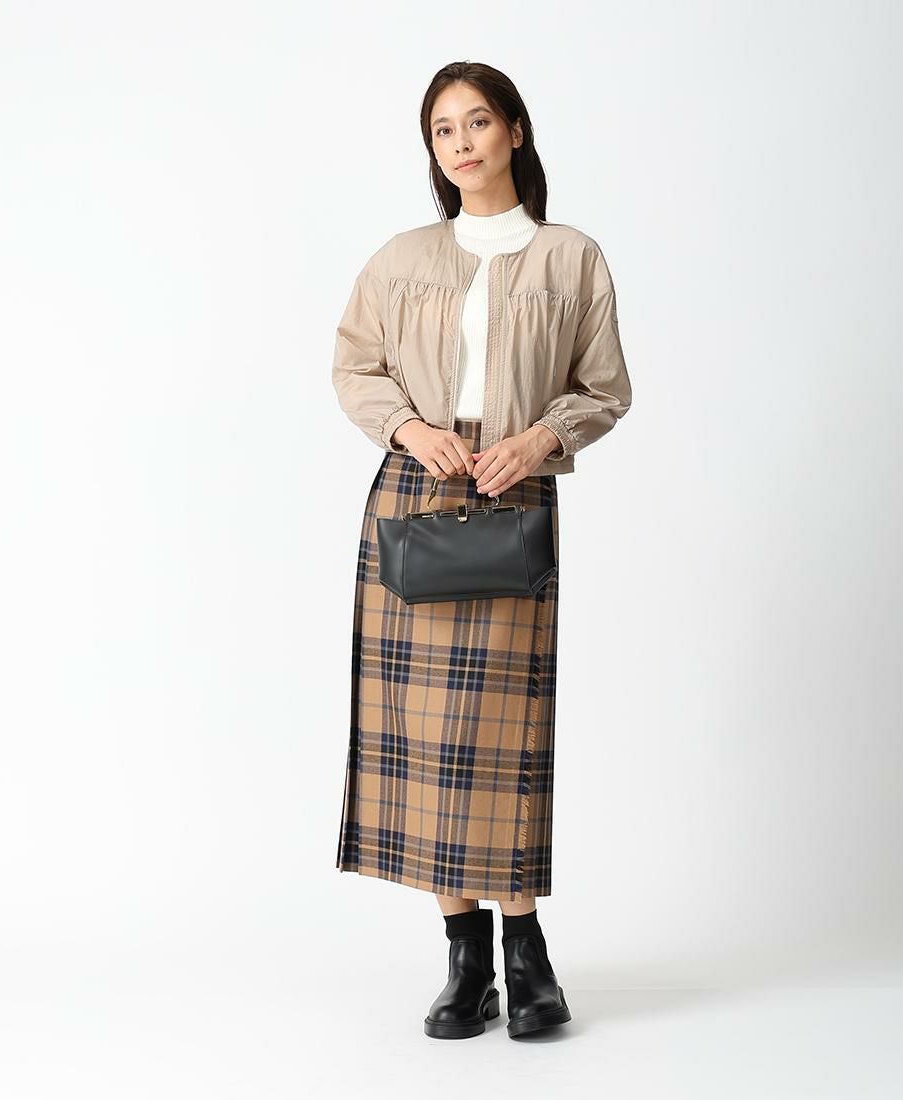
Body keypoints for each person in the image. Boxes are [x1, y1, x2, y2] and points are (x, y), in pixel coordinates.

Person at [331, 60, 632, 1039]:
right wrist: (408, 429)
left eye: (476, 123)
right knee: (424, 741)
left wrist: (539, 440)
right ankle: (465, 960)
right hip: (416, 491)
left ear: (513, 131)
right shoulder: (401, 257)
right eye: (442, 130)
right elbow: (354, 366)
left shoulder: (569, 257)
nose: (460, 143)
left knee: (505, 735)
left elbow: (603, 388)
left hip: (513, 493)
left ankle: (525, 951)